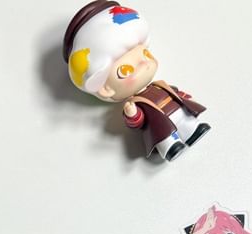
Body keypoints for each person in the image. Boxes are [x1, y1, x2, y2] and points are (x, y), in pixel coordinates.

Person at [63, 1, 209, 161]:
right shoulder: (135, 103)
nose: (144, 64)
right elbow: (139, 122)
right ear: (105, 88)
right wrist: (133, 115)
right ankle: (170, 147)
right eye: (125, 70)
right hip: (160, 126)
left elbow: (173, 92)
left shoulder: (159, 85)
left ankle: (192, 130)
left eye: (145, 53)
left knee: (187, 122)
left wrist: (182, 96)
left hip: (178, 112)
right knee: (165, 136)